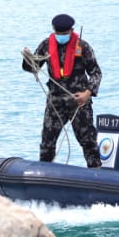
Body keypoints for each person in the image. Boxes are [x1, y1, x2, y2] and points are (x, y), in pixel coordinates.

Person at [21, 13, 103, 168]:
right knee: (47, 142)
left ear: (72, 30)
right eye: (59, 34)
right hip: (55, 101)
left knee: (88, 141)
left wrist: (88, 93)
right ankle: (44, 171)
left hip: (78, 101)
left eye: (65, 34)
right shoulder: (46, 46)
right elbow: (34, 68)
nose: (62, 37)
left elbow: (96, 73)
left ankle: (96, 171)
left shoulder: (83, 47)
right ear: (53, 30)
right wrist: (28, 58)